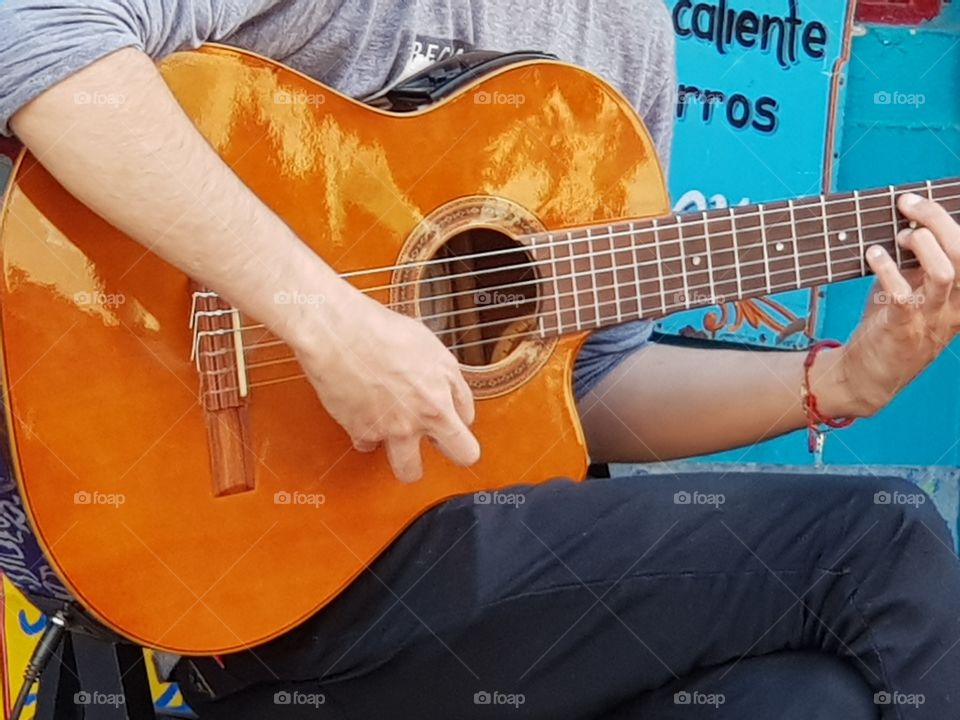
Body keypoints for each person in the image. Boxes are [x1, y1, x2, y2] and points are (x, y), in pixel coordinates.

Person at [1, 1, 959, 718]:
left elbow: (590, 387)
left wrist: (839, 383)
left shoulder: (630, 33)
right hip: (246, 572)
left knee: (807, 702)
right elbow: (38, 33)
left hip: (462, 572)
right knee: (880, 539)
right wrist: (322, 318)